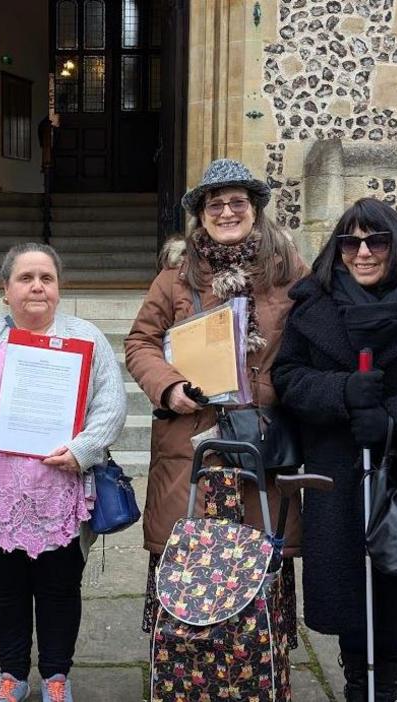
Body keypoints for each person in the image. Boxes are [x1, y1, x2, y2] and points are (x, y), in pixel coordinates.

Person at [272, 197, 397, 701]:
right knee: (347, 586)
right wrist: (341, 392)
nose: (363, 253)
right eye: (351, 242)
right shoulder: (312, 305)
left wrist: (393, 418)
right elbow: (290, 377)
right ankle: (357, 680)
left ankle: (389, 683)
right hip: (338, 469)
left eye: (375, 241)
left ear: (395, 245)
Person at [0, 243, 127, 702]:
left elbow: (111, 405)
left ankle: (57, 676)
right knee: (5, 589)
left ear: (59, 289)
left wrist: (83, 449)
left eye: (47, 278)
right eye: (26, 278)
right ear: (6, 291)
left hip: (58, 490)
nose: (37, 286)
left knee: (60, 588)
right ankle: (12, 676)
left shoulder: (86, 338)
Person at [124, 158, 308, 637]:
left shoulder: (289, 271)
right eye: (215, 204)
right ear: (201, 215)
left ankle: (253, 665)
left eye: (237, 203)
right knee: (189, 553)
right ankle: (186, 665)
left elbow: (314, 340)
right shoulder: (176, 275)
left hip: (259, 439)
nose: (227, 212)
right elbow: (141, 341)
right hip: (192, 439)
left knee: (258, 549)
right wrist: (168, 385)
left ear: (255, 209)